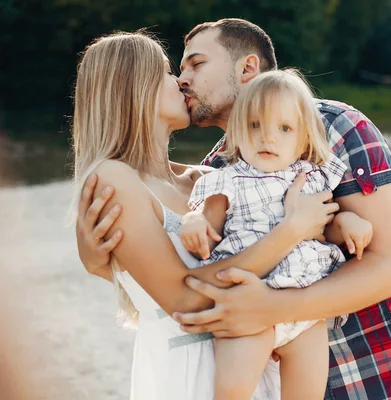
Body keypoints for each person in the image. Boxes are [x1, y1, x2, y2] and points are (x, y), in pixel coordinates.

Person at [78, 19, 391, 399]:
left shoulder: (334, 128)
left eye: (194, 65)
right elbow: (171, 275)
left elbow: (383, 267)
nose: (182, 79)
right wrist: (100, 262)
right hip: (255, 375)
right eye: (174, 71)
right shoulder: (221, 170)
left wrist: (277, 303)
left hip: (374, 373)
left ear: (247, 68)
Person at [71, 31, 340, 399]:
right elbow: (184, 300)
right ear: (133, 87)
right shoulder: (115, 178)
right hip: (187, 378)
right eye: (166, 71)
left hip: (250, 364)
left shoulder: (211, 177)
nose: (181, 81)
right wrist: (291, 230)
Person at [180, 69, 373, 398]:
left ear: (303, 139)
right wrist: (193, 221)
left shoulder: (313, 178)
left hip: (303, 309)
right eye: (255, 126)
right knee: (232, 389)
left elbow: (329, 226)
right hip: (248, 305)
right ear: (238, 132)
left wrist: (351, 222)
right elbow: (203, 219)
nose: (268, 138)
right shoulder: (228, 180)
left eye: (284, 129)